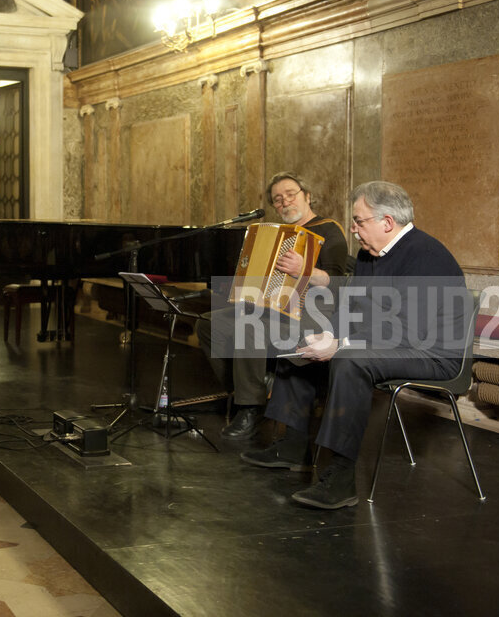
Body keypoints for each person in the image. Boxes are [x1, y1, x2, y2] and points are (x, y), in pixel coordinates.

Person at [241, 181, 467, 510]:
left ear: (387, 222)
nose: (353, 229)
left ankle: (342, 478)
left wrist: (341, 344)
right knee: (300, 344)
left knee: (350, 359)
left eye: (359, 221)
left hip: (432, 353)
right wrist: (328, 335)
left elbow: (408, 331)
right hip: (393, 341)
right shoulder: (367, 254)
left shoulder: (426, 256)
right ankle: (292, 445)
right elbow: (351, 308)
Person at [197, 172, 349, 439]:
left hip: (313, 311)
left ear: (307, 196)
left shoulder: (328, 229)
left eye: (290, 194)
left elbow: (337, 282)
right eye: (278, 199)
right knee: (208, 323)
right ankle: (251, 388)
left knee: (249, 327)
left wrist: (304, 270)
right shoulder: (273, 234)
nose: (285, 202)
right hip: (271, 308)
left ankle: (250, 409)